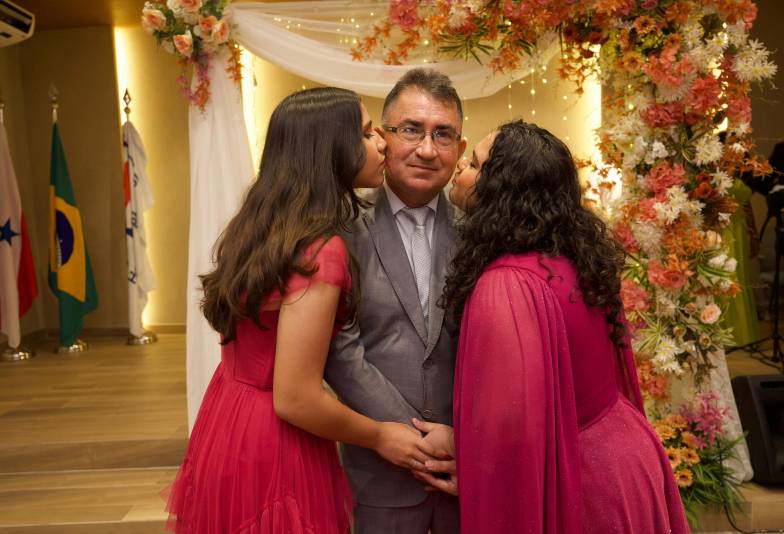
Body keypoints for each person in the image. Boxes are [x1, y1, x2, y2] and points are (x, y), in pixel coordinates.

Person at [164, 87, 439, 534]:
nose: (382, 143)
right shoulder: (320, 249)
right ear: (331, 148)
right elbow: (296, 397)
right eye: (367, 133)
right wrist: (379, 435)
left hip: (230, 415)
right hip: (276, 437)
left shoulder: (263, 225)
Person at [416, 121, 690, 533]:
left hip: (581, 482)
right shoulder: (575, 258)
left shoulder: (506, 284)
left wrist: (470, 463)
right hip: (626, 455)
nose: (460, 169)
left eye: (473, 164)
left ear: (501, 189)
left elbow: (512, 425)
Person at [324, 68, 466, 534]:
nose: (427, 149)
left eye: (443, 134)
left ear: (460, 148)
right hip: (378, 469)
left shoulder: (481, 232)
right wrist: (414, 438)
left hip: (465, 467)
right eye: (411, 130)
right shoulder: (341, 227)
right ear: (383, 137)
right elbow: (339, 349)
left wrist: (468, 441)